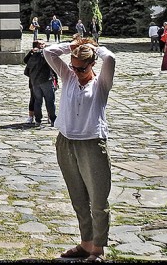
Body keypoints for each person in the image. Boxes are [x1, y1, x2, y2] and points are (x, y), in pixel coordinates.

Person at [43, 36, 116, 262]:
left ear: (92, 64)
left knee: (98, 200)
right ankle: (85, 243)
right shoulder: (69, 78)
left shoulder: (101, 84)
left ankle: (97, 249)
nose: (75, 71)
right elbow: (49, 53)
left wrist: (95, 48)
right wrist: (71, 47)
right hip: (65, 142)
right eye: (73, 66)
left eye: (80, 68)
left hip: (92, 143)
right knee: (78, 197)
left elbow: (110, 58)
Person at [23, 40, 56, 127]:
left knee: (37, 101)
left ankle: (38, 120)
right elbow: (53, 67)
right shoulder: (45, 54)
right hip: (45, 80)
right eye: (42, 43)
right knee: (50, 101)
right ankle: (53, 119)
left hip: (34, 81)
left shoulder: (32, 55)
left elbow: (26, 66)